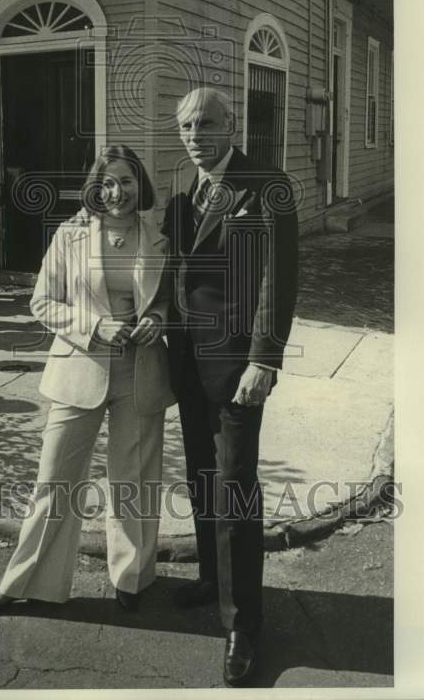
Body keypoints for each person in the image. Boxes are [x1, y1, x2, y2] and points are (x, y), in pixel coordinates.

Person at [0, 145, 175, 616]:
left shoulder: (158, 236)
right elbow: (42, 303)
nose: (116, 192)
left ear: (139, 184)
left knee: (134, 481)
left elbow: (167, 299)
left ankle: (132, 577)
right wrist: (94, 326)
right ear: (94, 187)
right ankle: (23, 583)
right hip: (80, 365)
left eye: (125, 181)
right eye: (107, 182)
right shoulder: (71, 234)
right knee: (55, 481)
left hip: (140, 370)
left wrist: (159, 318)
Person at [160, 87, 298, 687]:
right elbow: (175, 264)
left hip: (238, 363)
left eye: (206, 123)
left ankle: (244, 625)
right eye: (186, 125)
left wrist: (264, 359)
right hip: (187, 361)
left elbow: (278, 275)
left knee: (237, 483)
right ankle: (213, 581)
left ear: (231, 125)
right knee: (200, 474)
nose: (194, 134)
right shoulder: (180, 184)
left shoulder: (266, 184)